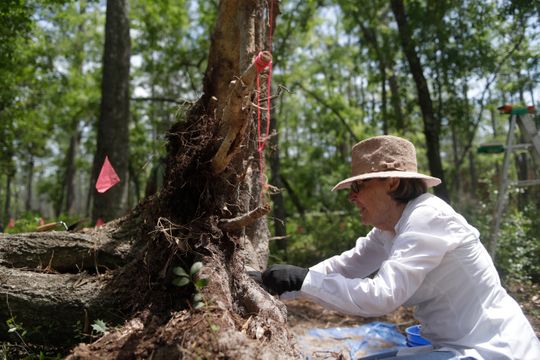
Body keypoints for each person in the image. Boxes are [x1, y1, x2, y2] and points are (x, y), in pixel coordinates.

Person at [260, 135, 540, 359]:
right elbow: (348, 265)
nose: (352, 198)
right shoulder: (389, 227)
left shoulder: (428, 216)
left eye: (357, 187)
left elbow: (383, 296)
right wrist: (281, 286)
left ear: (392, 182)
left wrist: (304, 280)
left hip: (492, 349)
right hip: (451, 348)